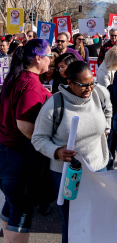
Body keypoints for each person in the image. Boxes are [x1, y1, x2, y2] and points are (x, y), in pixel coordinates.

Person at [32, 61, 112, 243]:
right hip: (67, 174)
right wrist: (56, 151)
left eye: (91, 83)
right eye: (84, 85)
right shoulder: (55, 103)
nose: (89, 88)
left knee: (97, 219)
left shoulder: (98, 93)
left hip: (98, 169)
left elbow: (108, 111)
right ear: (70, 83)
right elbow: (38, 138)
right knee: (73, 222)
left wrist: (106, 127)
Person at [0, 39, 52, 242]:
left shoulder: (18, 77)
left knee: (12, 205)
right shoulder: (30, 83)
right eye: (49, 55)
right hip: (15, 154)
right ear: (38, 58)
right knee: (21, 210)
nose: (51, 60)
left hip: (6, 150)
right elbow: (23, 123)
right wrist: (44, 144)